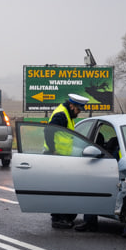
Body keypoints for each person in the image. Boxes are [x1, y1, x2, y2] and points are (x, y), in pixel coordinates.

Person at [44, 93, 89, 229]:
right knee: (58, 189)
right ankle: (57, 219)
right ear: (71, 105)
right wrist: (53, 150)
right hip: (55, 157)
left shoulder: (67, 115)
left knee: (63, 188)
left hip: (63, 158)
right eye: (78, 109)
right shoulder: (61, 115)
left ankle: (64, 217)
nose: (79, 112)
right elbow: (48, 131)